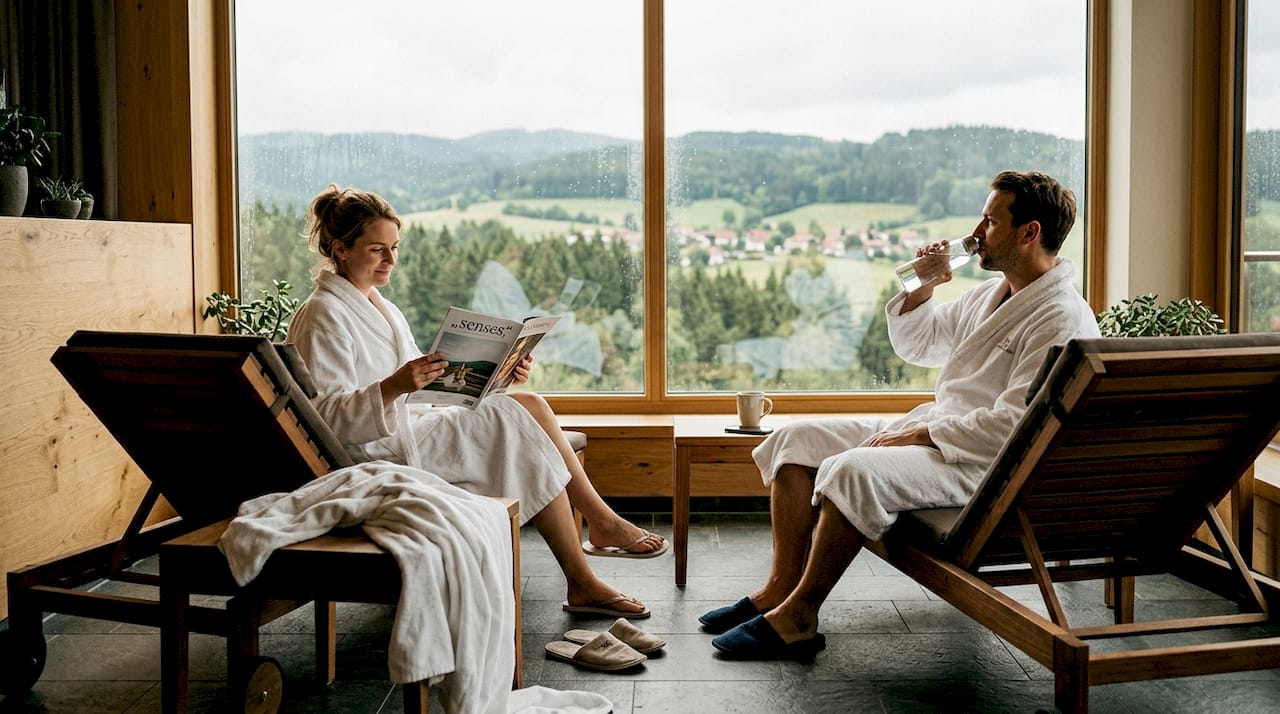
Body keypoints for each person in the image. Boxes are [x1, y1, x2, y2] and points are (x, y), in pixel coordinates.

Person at [701, 170, 1101, 658]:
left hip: (983, 464)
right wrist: (921, 285)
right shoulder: (993, 294)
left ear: (1030, 231)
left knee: (851, 469)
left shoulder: (1059, 316)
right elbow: (924, 343)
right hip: (939, 432)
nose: (976, 232)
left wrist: (921, 436)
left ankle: (800, 615)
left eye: (990, 220)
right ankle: (779, 587)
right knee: (796, 439)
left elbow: (1016, 428)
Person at [286, 184, 667, 619]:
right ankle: (590, 557)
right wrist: (393, 386)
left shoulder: (382, 307)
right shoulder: (323, 315)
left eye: (395, 248)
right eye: (378, 250)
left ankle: (596, 533)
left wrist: (495, 375)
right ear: (339, 249)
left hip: (409, 425)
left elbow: (420, 388)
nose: (391, 261)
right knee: (514, 418)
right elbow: (323, 420)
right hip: (374, 453)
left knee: (529, 403)